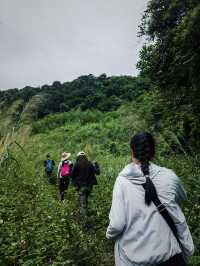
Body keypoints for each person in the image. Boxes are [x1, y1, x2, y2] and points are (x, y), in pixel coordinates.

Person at [106, 132, 194, 266]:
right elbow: (182, 197)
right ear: (153, 151)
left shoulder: (122, 181)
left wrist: (109, 234)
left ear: (132, 151)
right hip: (171, 257)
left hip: (135, 260)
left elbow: (117, 224)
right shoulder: (169, 176)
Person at [71, 151, 99, 216]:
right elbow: (97, 172)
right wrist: (97, 165)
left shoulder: (77, 164)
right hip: (89, 187)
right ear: (85, 157)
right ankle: (86, 214)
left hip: (81, 187)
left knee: (82, 203)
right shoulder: (90, 163)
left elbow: (71, 175)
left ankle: (84, 220)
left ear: (78, 157)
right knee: (85, 200)